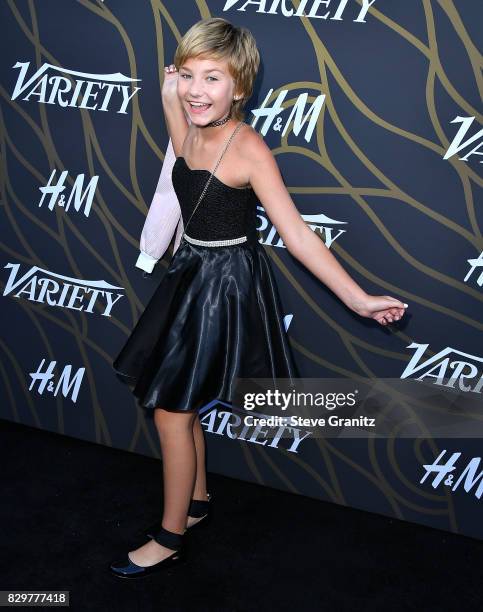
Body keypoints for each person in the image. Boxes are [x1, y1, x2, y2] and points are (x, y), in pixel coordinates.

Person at [109, 17, 409, 579]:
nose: (198, 89)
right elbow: (176, 125)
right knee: (181, 399)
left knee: (171, 412)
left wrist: (358, 300)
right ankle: (195, 503)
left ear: (240, 87)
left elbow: (296, 234)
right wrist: (176, 80)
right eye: (191, 76)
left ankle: (170, 537)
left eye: (214, 79)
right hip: (190, 269)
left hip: (225, 284)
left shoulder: (247, 147)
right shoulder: (187, 120)